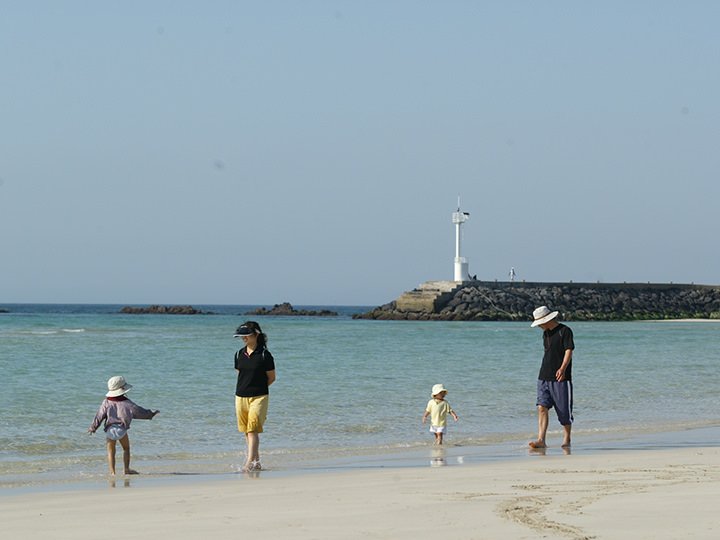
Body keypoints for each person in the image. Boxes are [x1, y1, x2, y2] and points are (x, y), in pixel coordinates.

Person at [88, 375, 160, 475]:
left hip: (110, 429)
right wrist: (151, 414)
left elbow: (99, 416)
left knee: (111, 452)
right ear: (123, 390)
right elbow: (139, 411)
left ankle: (112, 472)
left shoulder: (106, 402)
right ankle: (126, 469)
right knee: (126, 449)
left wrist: (93, 427)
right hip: (121, 429)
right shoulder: (128, 403)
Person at [529, 306, 575, 449]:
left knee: (563, 411)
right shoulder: (545, 333)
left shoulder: (565, 331)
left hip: (561, 377)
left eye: (539, 323)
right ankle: (541, 440)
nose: (539, 326)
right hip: (543, 376)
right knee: (542, 407)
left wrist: (562, 368)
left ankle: (567, 438)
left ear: (546, 320)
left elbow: (569, 351)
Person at [233, 321, 276, 472]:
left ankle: (248, 463)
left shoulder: (265, 355)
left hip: (259, 396)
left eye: (246, 335)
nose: (243, 338)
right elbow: (241, 374)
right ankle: (256, 462)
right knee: (247, 430)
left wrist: (258, 389)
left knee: (252, 430)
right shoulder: (239, 354)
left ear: (256, 335)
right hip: (240, 397)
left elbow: (271, 378)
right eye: (241, 336)